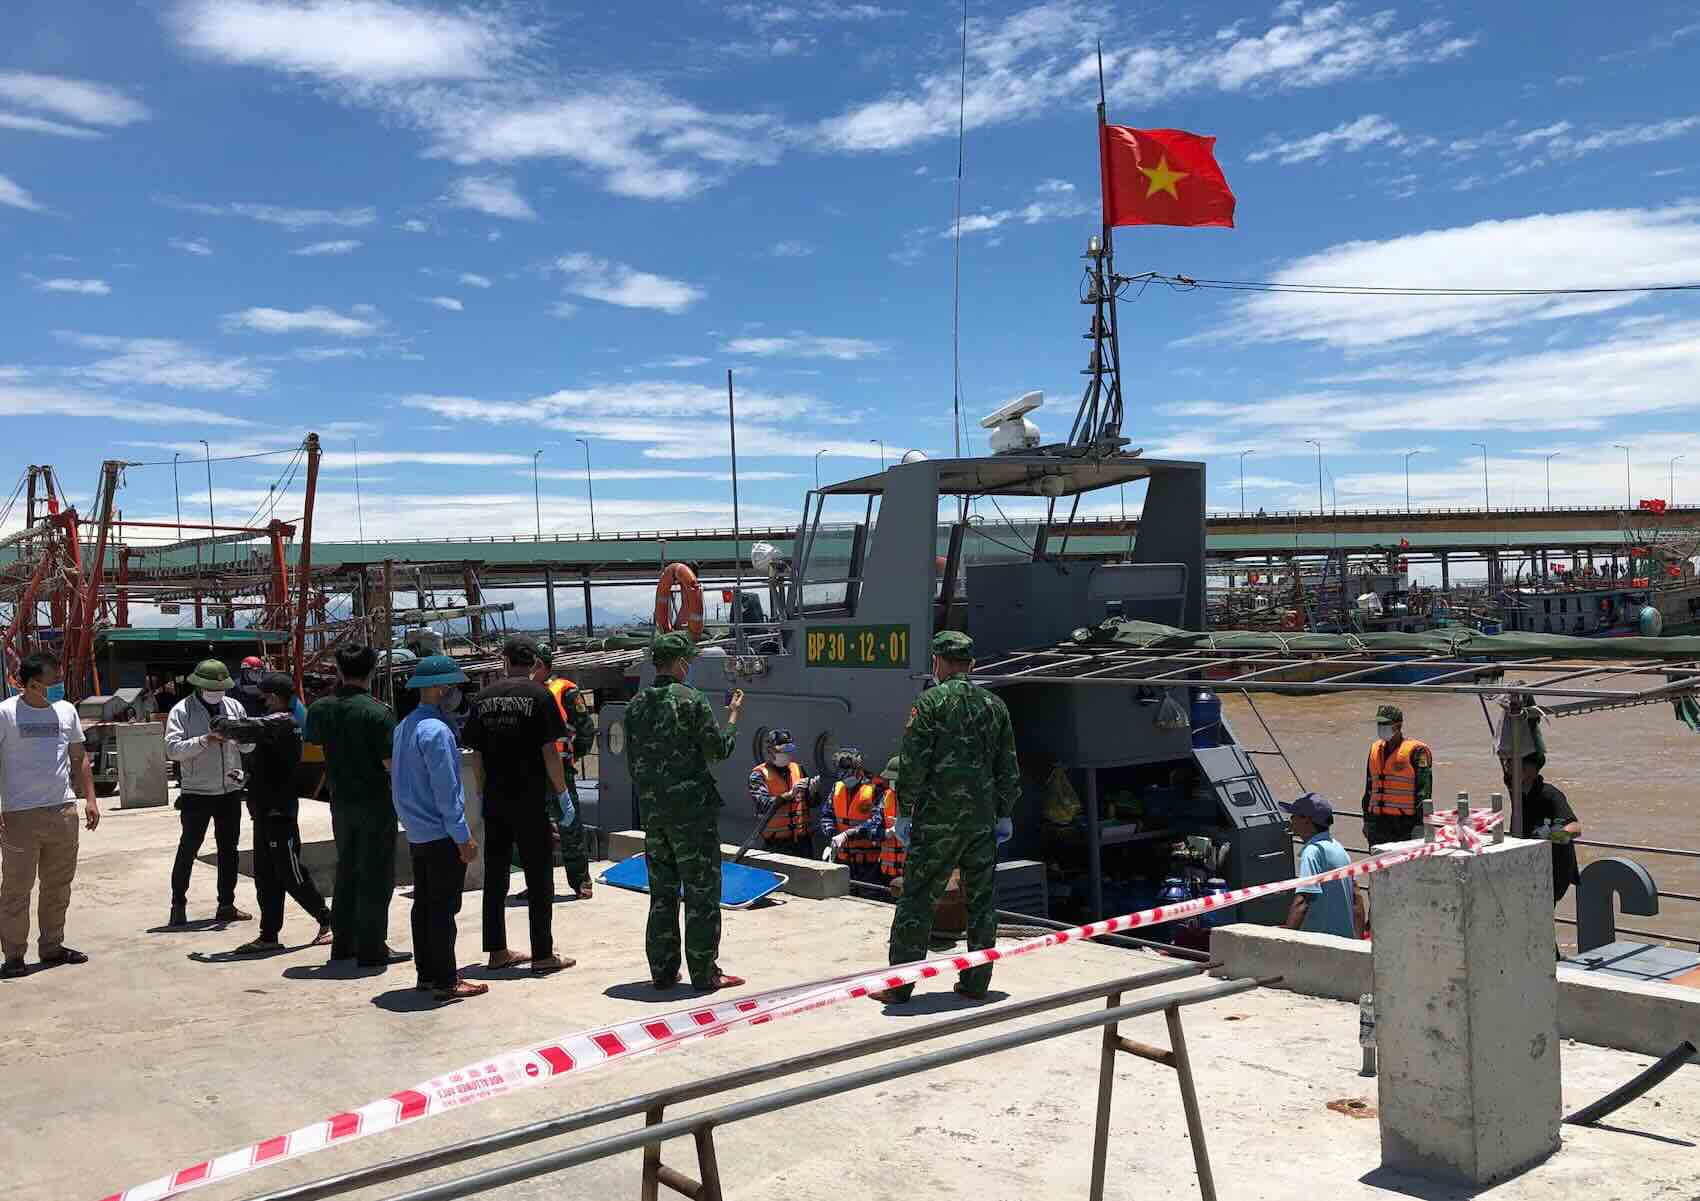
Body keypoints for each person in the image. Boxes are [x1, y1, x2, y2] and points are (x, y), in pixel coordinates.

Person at [873, 631, 1018, 1005]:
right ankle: (976, 983)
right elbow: (1008, 767)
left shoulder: (929, 703)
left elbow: (912, 765)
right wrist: (1004, 813)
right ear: (970, 664)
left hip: (937, 822)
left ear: (938, 661)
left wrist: (904, 812)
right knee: (982, 902)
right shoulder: (994, 706)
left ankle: (899, 985)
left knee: (918, 900)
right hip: (982, 823)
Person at [624, 632, 745, 991]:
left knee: (662, 893)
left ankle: (662, 971)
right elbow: (718, 750)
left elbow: (633, 764)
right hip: (691, 815)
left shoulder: (635, 705)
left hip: (654, 814)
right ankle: (705, 972)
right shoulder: (692, 701)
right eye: (687, 661)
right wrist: (734, 718)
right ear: (679, 663)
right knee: (701, 892)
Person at [461, 635, 573, 975]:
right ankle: (542, 953)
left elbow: (476, 755)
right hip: (530, 798)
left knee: (495, 877)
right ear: (535, 665)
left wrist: (480, 793)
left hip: (495, 799)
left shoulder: (482, 699)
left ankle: (496, 951)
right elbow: (549, 752)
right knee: (539, 876)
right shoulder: (540, 695)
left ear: (504, 661)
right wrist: (563, 793)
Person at [305, 645, 407, 968]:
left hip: (341, 802)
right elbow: (391, 764)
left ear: (338, 669)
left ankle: (343, 942)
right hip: (375, 802)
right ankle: (373, 946)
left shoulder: (320, 709)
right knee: (376, 873)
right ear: (373, 670)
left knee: (347, 869)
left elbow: (311, 755)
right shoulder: (378, 712)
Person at [0, 651, 100, 978]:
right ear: (29, 684)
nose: (58, 685)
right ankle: (14, 955)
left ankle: (52, 946)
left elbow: (78, 756)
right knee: (17, 888)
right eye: (52, 681)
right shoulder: (6, 714)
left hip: (63, 811)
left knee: (58, 884)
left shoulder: (66, 711)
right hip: (20, 814)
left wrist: (90, 799)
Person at [392, 656, 486, 1001]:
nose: (455, 694)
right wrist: (463, 837)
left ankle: (427, 975)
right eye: (451, 687)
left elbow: (399, 783)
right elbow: (447, 791)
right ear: (438, 688)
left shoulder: (405, 727)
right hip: (441, 833)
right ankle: (447, 979)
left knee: (426, 906)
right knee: (445, 909)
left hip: (417, 831)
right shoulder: (438, 731)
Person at [227, 674, 333, 955]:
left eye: (266, 696)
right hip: (263, 812)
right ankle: (269, 935)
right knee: (265, 877)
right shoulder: (275, 727)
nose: (264, 701)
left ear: (275, 696)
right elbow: (269, 765)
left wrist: (220, 723)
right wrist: (246, 776)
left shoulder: (284, 722)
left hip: (279, 814)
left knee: (291, 873)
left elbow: (243, 727)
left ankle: (328, 921)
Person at [164, 659, 255, 928]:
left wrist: (239, 736)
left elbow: (248, 748)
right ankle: (178, 903)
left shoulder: (234, 707)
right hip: (197, 792)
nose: (217, 694)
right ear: (199, 686)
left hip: (229, 790)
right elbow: (172, 749)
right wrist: (206, 740)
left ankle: (226, 904)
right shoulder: (182, 711)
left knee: (229, 849)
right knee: (188, 848)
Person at [530, 652, 598, 900]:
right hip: (532, 772)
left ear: (541, 666)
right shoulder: (524, 692)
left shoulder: (566, 692)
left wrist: (573, 756)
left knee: (570, 827)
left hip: (560, 769)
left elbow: (585, 730)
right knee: (535, 830)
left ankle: (580, 881)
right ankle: (538, 884)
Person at [1279, 793, 1364, 939]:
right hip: (1344, 943)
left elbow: (1302, 902)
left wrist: (1283, 941)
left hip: (1320, 943)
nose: (1291, 820)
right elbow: (1356, 899)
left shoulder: (1312, 852)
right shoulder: (1339, 849)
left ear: (1307, 820)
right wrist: (1357, 943)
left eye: (1294, 816)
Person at [1506, 752, 1580, 908]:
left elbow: (1575, 829)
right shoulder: (1516, 792)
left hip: (1551, 870)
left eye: (1516, 766)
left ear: (1532, 770)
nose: (1509, 771)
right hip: (1526, 866)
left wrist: (1551, 836)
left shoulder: (1550, 795)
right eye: (1508, 766)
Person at [1362, 703, 1432, 847]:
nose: (1381, 727)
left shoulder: (1417, 751)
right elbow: (1369, 789)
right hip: (1378, 824)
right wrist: (1367, 821)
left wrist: (1420, 825)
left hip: (1404, 825)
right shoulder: (1374, 749)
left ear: (1398, 726)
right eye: (1379, 723)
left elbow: (1424, 792)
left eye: (1385, 724)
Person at [818, 748, 890, 887]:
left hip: (869, 861)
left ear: (858, 769)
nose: (844, 777)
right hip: (842, 858)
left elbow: (876, 822)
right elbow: (826, 815)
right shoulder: (837, 787)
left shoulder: (876, 788)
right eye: (841, 773)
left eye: (847, 773)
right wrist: (833, 835)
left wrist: (847, 835)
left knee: (868, 897)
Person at [748, 728, 809, 856]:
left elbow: (811, 802)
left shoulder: (799, 769)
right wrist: (788, 795)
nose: (786, 754)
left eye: (789, 750)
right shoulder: (758, 775)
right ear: (770, 751)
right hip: (776, 845)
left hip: (803, 842)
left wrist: (813, 792)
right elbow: (763, 805)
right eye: (782, 751)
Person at [876, 756, 906, 890]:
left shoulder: (923, 800)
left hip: (911, 871)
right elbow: (873, 824)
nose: (892, 783)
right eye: (891, 780)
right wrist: (884, 833)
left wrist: (908, 829)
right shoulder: (885, 797)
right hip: (887, 871)